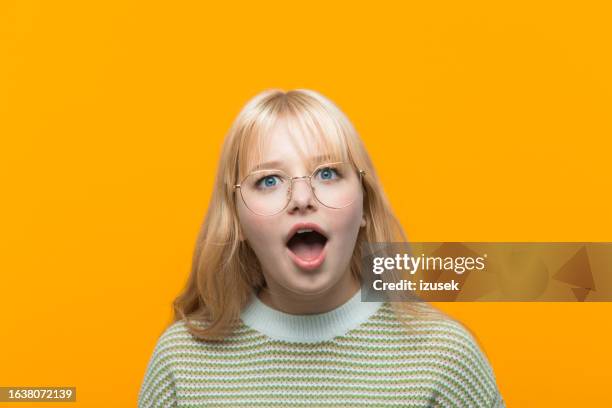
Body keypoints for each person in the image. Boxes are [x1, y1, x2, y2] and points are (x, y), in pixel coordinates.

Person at [137, 89, 506, 407]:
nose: (301, 198)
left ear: (365, 205)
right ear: (237, 222)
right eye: (268, 180)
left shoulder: (444, 360)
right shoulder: (180, 364)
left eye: (327, 173)